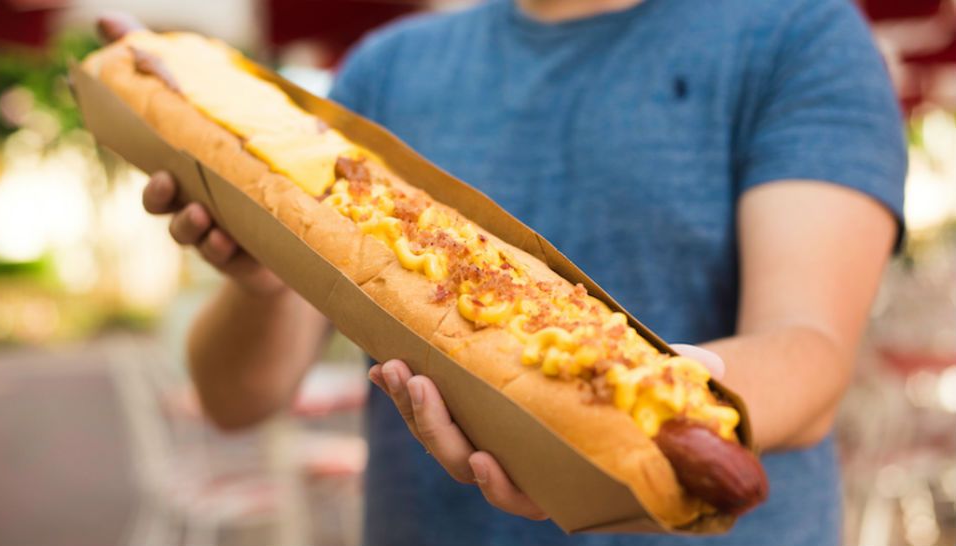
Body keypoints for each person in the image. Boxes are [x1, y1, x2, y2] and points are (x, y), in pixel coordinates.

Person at [142, 0, 906, 544]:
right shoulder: (386, 66)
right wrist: (267, 269)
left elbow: (810, 349)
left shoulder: (800, 30)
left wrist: (656, 399)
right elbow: (233, 401)